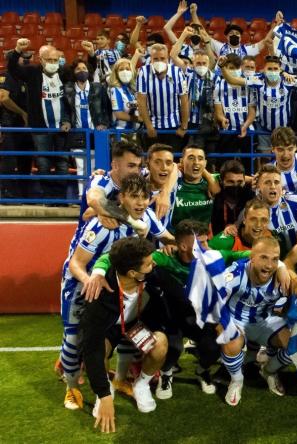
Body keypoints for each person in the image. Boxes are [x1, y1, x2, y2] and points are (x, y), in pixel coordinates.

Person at [88, 218, 253, 398]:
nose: (208, 246)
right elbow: (115, 258)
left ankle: (201, 371)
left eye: (206, 240)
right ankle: (166, 374)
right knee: (171, 348)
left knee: (213, 345)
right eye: (202, 242)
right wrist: (97, 272)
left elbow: (250, 255)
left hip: (197, 316)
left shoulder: (215, 256)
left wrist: (282, 265)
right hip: (170, 316)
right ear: (182, 246)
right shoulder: (163, 258)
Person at [59, 174, 174, 410]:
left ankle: (121, 380)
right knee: (75, 340)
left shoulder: (146, 218)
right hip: (85, 287)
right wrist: (92, 278)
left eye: (145, 197)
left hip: (119, 292)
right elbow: (75, 264)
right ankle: (72, 387)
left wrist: (189, 246)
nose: (141, 203)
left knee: (129, 329)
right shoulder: (102, 223)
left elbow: (167, 237)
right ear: (121, 197)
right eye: (134, 197)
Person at [81, 237, 168, 432]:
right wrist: (103, 395)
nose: (153, 264)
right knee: (97, 349)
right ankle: (106, 388)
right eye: (148, 264)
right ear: (132, 273)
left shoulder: (154, 276)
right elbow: (91, 349)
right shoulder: (98, 294)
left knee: (161, 343)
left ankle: (141, 384)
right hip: (110, 329)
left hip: (136, 325)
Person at [201, 236, 297, 406]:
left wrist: (291, 278)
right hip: (236, 320)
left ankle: (269, 371)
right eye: (263, 258)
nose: (269, 265)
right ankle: (237, 380)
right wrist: (223, 326)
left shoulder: (283, 277)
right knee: (230, 339)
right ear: (251, 257)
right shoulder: (235, 274)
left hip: (264, 320)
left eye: (275, 259)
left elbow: (294, 304)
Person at [7, 39, 71, 201]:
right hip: (40, 127)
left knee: (62, 163)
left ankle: (61, 198)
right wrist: (17, 51)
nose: (52, 63)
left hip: (62, 127)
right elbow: (13, 68)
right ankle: (49, 198)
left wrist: (67, 120)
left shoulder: (64, 73)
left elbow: (85, 75)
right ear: (41, 60)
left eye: (55, 60)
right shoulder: (33, 73)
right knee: (43, 163)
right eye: (49, 60)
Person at [221, 55, 297, 151]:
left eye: (275, 69)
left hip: (284, 129)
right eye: (269, 69)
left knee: (283, 157)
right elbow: (232, 80)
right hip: (264, 129)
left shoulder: (288, 81)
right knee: (265, 159)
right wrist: (222, 66)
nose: (273, 72)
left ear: (280, 70)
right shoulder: (257, 80)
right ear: (264, 69)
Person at [64, 60, 110, 194]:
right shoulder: (68, 88)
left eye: (84, 68)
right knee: (80, 167)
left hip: (95, 133)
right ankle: (81, 196)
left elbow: (106, 108)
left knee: (95, 167)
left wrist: (104, 123)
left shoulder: (98, 88)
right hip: (77, 133)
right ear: (73, 72)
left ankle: (93, 195)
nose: (81, 71)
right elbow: (66, 110)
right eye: (78, 69)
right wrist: (66, 121)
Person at [136, 43, 190, 150]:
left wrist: (184, 125)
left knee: (173, 161)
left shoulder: (177, 72)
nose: (159, 61)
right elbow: (141, 101)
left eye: (162, 58)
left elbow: (184, 100)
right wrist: (148, 125)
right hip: (153, 127)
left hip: (174, 127)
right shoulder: (143, 72)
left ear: (168, 58)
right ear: (150, 59)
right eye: (155, 59)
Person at [214, 54, 257, 165]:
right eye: (231, 68)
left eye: (237, 68)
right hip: (227, 131)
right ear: (225, 69)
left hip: (247, 130)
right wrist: (222, 119)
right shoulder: (219, 85)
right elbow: (218, 111)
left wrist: (246, 125)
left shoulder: (247, 84)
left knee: (248, 165)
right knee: (225, 164)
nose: (234, 71)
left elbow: (252, 110)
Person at [171, 145, 220, 230]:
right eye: (191, 158)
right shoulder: (172, 182)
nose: (196, 162)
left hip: (203, 239)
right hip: (176, 239)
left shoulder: (213, 180)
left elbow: (238, 177)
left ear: (205, 163)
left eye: (200, 159)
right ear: (181, 161)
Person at [211, 160, 255, 235]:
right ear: (221, 181)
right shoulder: (214, 196)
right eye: (230, 182)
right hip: (218, 242)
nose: (235, 185)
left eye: (239, 182)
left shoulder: (251, 196)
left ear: (245, 181)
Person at [108, 58, 142, 133]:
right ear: (116, 73)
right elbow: (119, 114)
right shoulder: (115, 90)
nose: (125, 72)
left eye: (127, 69)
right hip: (120, 133)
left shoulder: (131, 89)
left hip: (134, 132)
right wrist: (139, 119)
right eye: (121, 69)